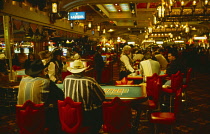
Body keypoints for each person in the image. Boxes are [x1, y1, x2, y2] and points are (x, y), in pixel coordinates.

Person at [17, 59, 64, 134]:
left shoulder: (23, 81)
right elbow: (61, 96)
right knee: (56, 111)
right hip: (38, 118)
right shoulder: (46, 82)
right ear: (42, 71)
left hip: (22, 117)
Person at [63, 60, 105, 134]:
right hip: (86, 116)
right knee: (100, 107)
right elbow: (101, 97)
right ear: (83, 71)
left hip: (69, 115)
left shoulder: (66, 79)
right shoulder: (90, 80)